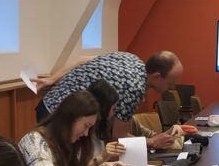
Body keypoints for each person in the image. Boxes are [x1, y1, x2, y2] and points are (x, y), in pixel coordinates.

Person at [34, 50, 184, 149]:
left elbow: (82, 60)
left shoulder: (130, 57)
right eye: (171, 83)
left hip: (47, 102)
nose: (172, 87)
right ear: (157, 76)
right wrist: (152, 143)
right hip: (60, 116)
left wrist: (51, 79)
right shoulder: (135, 88)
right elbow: (119, 138)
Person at [17, 90, 132, 166]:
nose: (86, 134)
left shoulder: (62, 142)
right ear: (70, 118)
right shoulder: (34, 142)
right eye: (86, 126)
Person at [85, 79, 125, 163]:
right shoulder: (82, 134)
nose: (113, 114)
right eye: (112, 109)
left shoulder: (100, 129)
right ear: (104, 109)